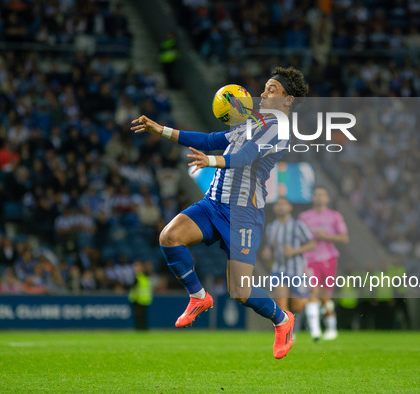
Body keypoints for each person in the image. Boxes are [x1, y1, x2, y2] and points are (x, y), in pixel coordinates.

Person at [131, 66, 309, 359]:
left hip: (243, 215)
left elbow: (244, 157)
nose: (262, 94)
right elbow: (211, 140)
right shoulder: (254, 121)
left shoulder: (279, 128)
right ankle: (199, 297)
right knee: (169, 236)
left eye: (271, 90)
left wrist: (212, 162)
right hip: (213, 204)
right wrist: (160, 129)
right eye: (264, 88)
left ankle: (282, 319)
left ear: (288, 100)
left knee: (240, 291)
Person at [299, 186, 349, 342]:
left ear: (327, 198)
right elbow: (298, 237)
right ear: (313, 198)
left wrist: (326, 236)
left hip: (328, 258)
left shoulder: (334, 216)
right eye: (316, 195)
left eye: (322, 194)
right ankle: (315, 331)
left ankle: (331, 327)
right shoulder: (304, 217)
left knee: (326, 296)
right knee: (312, 291)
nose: (319, 197)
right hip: (310, 259)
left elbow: (344, 238)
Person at [265, 197, 316, 338]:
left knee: (298, 305)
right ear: (275, 208)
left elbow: (312, 244)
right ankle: (287, 333)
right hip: (279, 269)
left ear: (290, 208)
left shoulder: (298, 225)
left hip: (297, 270)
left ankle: (295, 327)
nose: (280, 207)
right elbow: (270, 247)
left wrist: (294, 251)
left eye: (283, 204)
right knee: (281, 302)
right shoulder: (271, 227)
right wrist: (268, 252)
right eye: (278, 205)